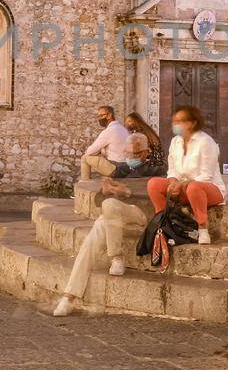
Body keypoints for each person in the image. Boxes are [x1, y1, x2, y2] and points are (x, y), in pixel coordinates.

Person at [53, 133, 158, 316]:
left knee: (109, 208)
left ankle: (117, 257)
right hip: (115, 214)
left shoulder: (156, 170)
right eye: (127, 153)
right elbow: (98, 201)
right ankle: (69, 296)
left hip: (141, 214)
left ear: (144, 153)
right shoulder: (121, 170)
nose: (130, 157)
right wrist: (105, 191)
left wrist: (126, 192)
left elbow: (152, 197)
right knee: (91, 240)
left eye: (134, 154)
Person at [148, 104, 225, 247]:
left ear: (192, 123)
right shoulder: (175, 142)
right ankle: (161, 222)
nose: (175, 125)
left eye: (180, 121)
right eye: (174, 121)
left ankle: (202, 228)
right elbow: (172, 170)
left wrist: (182, 184)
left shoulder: (205, 142)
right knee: (154, 184)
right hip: (183, 188)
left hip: (208, 189)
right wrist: (172, 182)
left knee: (194, 187)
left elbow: (206, 176)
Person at [80, 105, 133, 180]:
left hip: (117, 168)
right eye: (98, 116)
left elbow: (89, 152)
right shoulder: (123, 129)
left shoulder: (109, 131)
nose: (99, 119)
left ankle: (85, 184)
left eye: (101, 116)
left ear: (109, 115)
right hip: (127, 167)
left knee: (85, 158)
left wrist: (97, 152)